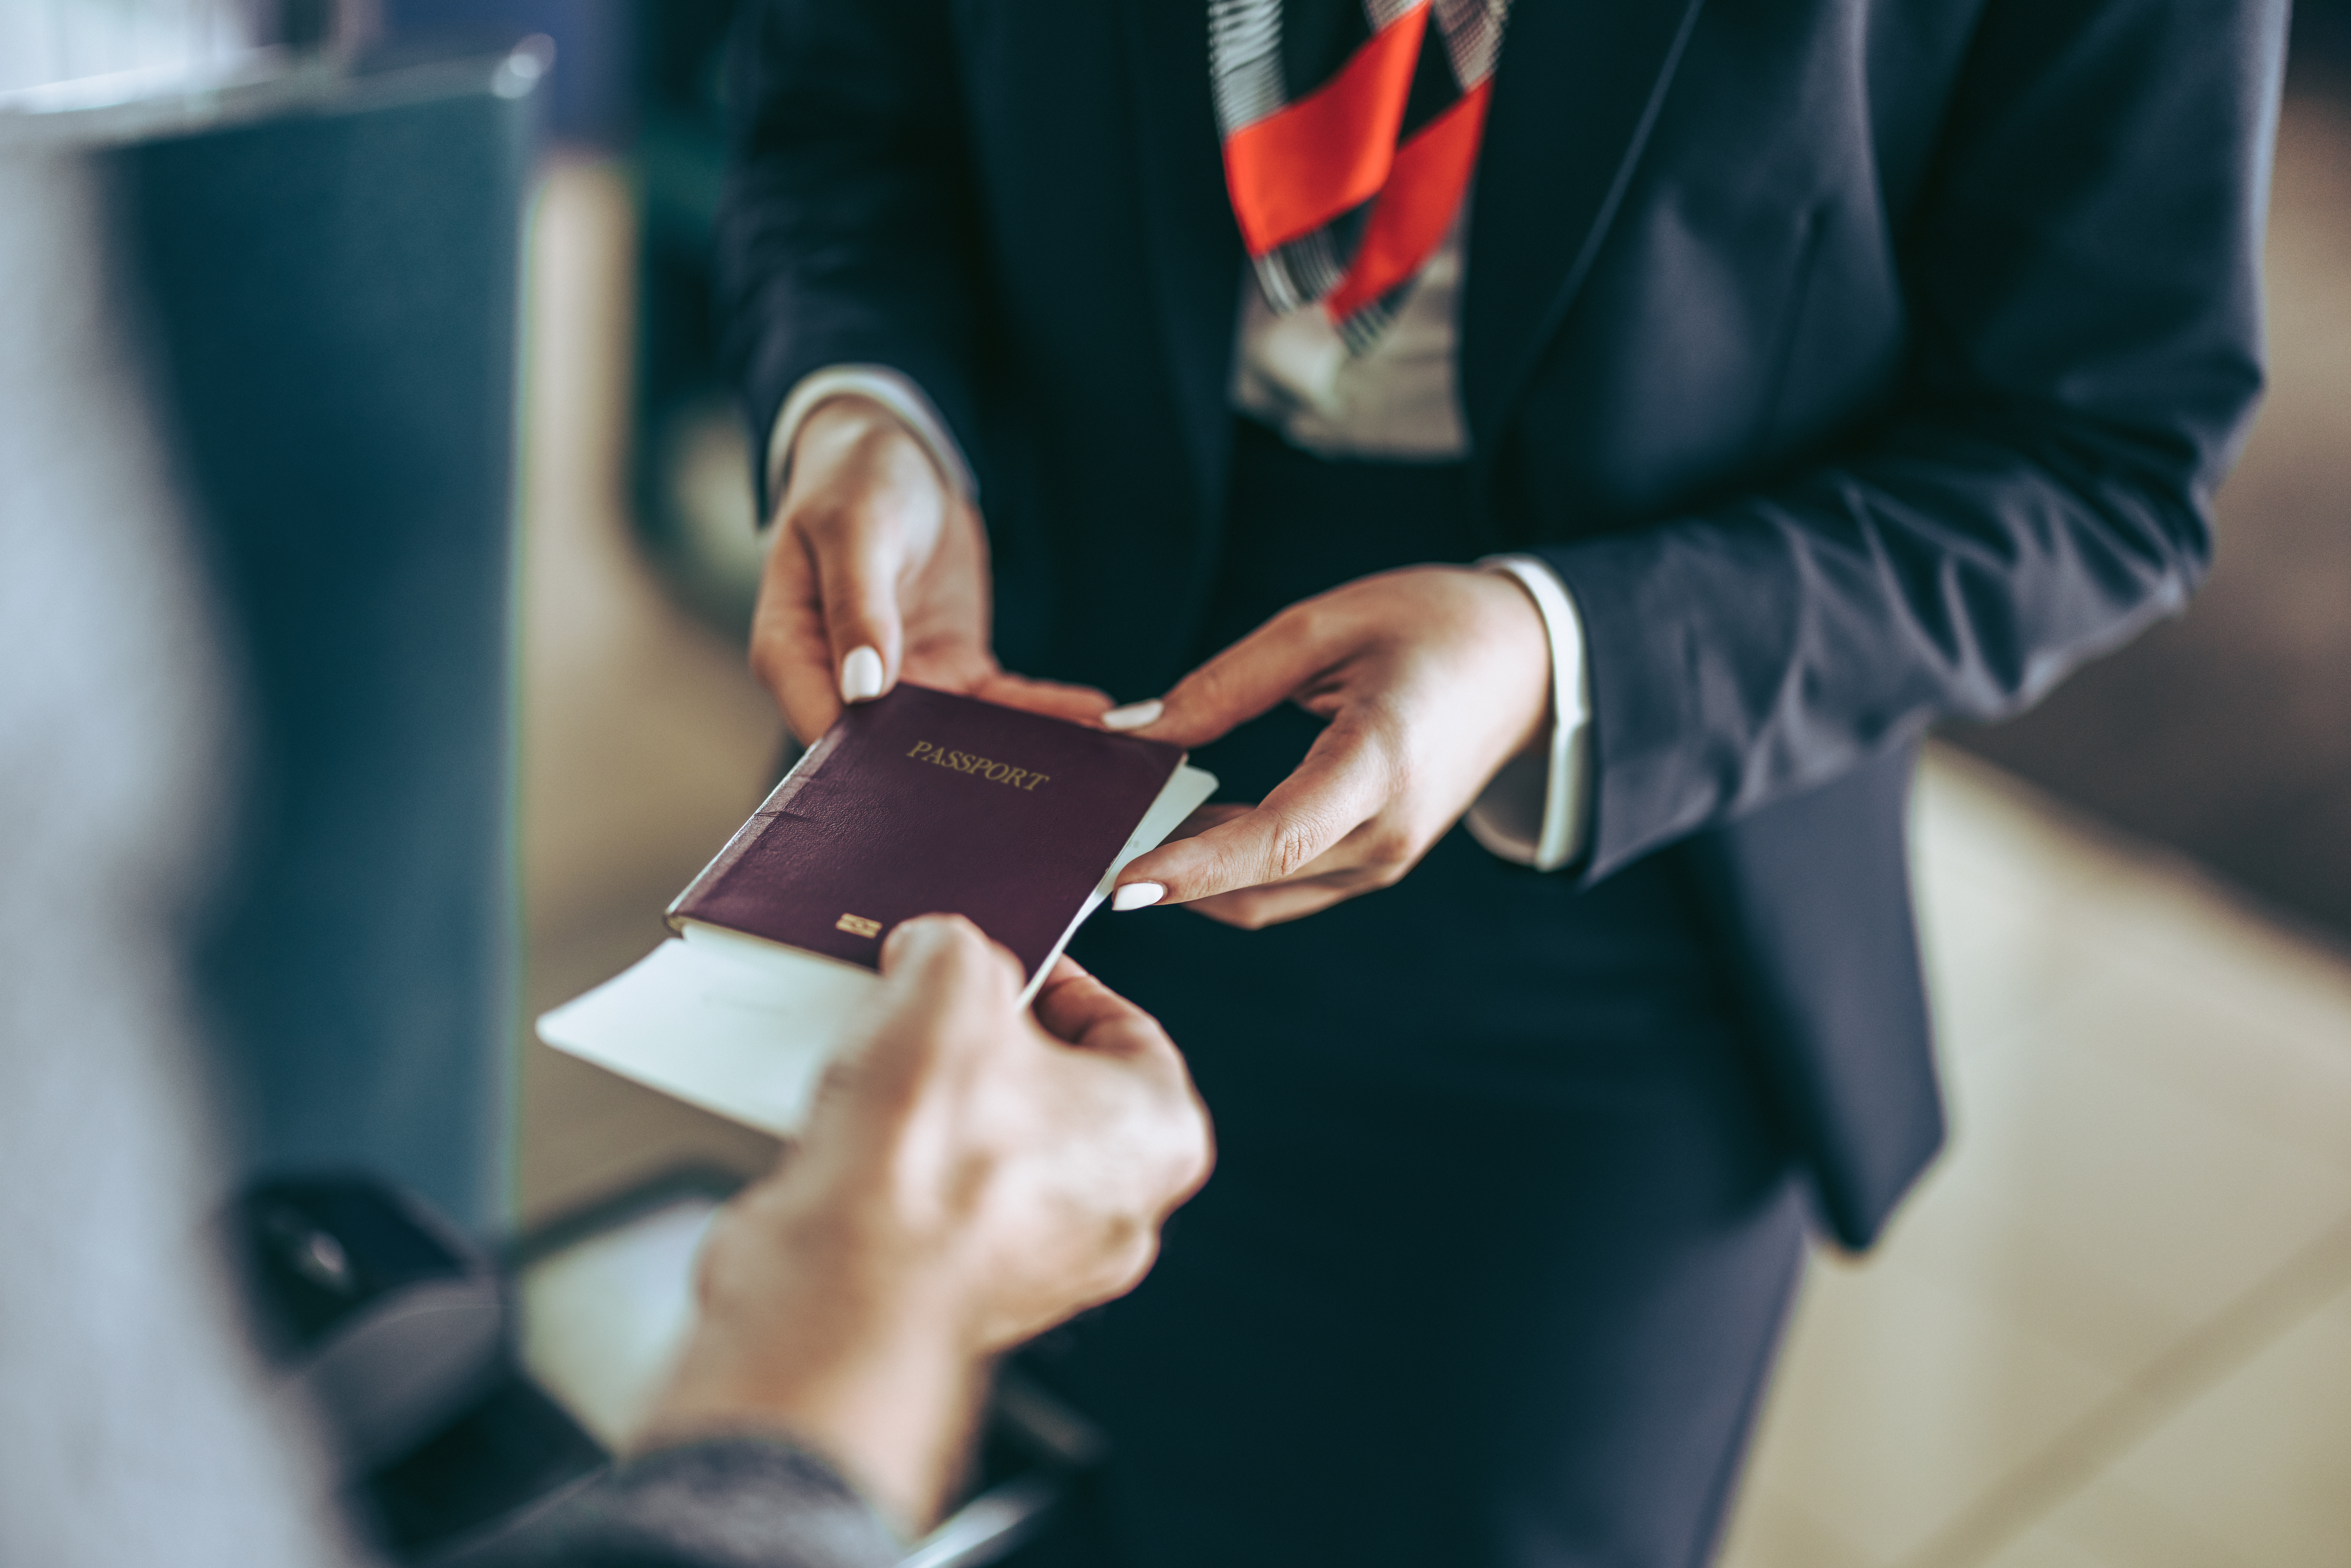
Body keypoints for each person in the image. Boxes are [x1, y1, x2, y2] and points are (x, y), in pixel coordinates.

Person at [715, 0, 2289, 1562]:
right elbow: (846, 108)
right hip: (1006, 699)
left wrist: (1562, 654)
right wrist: (868, 407)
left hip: (1625, 843)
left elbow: (2100, 452)